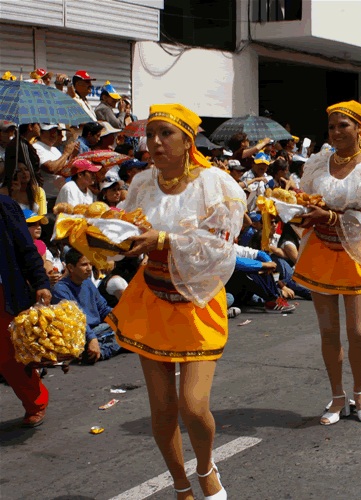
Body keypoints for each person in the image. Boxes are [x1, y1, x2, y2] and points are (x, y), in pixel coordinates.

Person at [105, 104, 245, 499]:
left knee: (194, 406)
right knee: (163, 410)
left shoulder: (215, 185)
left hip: (196, 301)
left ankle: (206, 468)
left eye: (165, 134)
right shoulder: (141, 183)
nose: (155, 142)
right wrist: (110, 240)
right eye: (150, 134)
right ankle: (182, 487)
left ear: (187, 141)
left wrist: (164, 240)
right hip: (151, 298)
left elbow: (220, 248)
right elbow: (128, 232)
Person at [293, 100, 361, 426]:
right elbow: (305, 200)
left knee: (358, 332)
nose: (336, 132)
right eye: (332, 126)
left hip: (357, 251)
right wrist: (298, 210)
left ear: (359, 129)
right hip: (320, 249)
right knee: (328, 332)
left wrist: (330, 216)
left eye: (343, 126)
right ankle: (337, 395)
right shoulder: (318, 162)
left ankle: (360, 392)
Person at [0, 194, 52, 427]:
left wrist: (41, 282)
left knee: (9, 357)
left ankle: (35, 403)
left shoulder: (5, 206)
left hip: (5, 292)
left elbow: (26, 248)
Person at [51, 249, 125, 363]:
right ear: (70, 268)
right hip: (79, 334)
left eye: (90, 264)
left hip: (98, 330)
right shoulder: (60, 290)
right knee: (121, 337)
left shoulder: (87, 283)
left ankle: (101, 350)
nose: (89, 268)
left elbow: (103, 309)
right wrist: (91, 338)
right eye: (84, 265)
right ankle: (100, 350)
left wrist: (122, 319)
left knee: (126, 329)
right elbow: (75, 321)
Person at [33, 123, 80, 206]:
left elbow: (65, 171)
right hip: (47, 199)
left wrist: (73, 155)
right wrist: (66, 153)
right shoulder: (37, 147)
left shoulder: (54, 149)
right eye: (50, 131)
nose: (53, 134)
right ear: (41, 132)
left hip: (59, 197)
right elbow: (51, 169)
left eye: (55, 131)